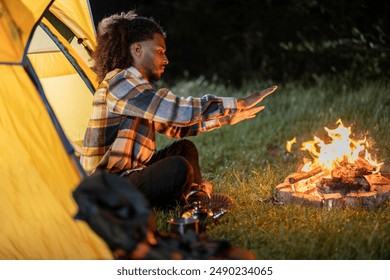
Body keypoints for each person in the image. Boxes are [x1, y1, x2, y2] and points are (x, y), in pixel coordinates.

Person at [80, 10, 277, 209]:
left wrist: (227, 118)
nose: (165, 59)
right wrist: (236, 103)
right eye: (159, 51)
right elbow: (174, 110)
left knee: (184, 149)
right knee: (177, 168)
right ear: (137, 50)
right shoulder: (120, 82)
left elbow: (175, 127)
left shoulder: (137, 87)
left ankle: (195, 199)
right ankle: (190, 202)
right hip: (106, 189)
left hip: (128, 175)